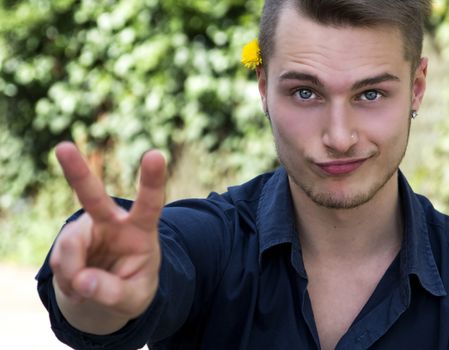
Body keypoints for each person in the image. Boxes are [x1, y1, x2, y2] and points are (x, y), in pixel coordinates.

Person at [37, 0, 449, 349]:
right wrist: (100, 291)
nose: (339, 137)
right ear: (263, 88)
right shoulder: (215, 245)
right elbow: (158, 259)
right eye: (305, 92)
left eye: (370, 94)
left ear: (416, 87)